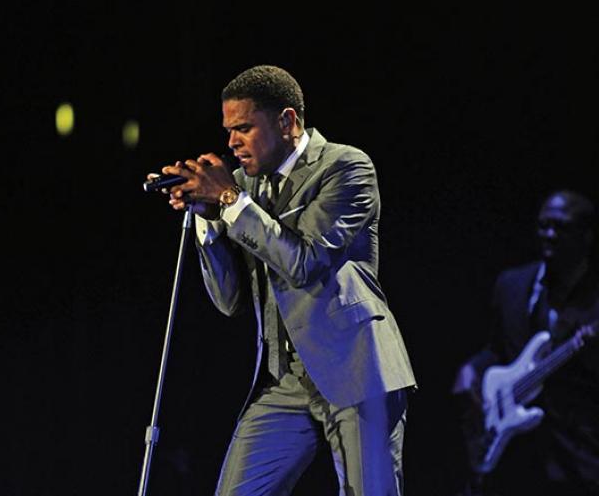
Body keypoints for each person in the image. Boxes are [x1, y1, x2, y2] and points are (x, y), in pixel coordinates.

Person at [150, 64, 417, 495]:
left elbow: (305, 262)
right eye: (228, 131)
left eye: (244, 128)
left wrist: (229, 200)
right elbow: (229, 300)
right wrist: (209, 222)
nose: (232, 142)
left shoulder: (346, 167)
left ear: (287, 121)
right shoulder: (244, 186)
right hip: (284, 381)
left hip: (355, 366)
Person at [452, 189, 599, 496]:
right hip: (512, 460)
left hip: (577, 461)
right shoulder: (512, 284)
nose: (549, 234)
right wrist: (471, 370)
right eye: (544, 225)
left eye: (561, 227)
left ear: (587, 235)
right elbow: (497, 349)